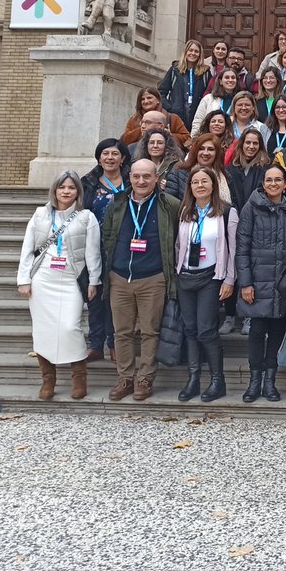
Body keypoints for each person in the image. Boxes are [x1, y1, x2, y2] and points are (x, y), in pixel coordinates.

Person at [17, 171, 103, 401]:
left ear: (78, 192)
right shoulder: (40, 215)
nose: (66, 191)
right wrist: (23, 279)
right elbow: (28, 249)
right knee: (42, 330)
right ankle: (48, 379)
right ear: (54, 190)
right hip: (44, 278)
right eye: (62, 187)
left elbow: (92, 252)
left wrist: (94, 280)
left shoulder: (86, 217)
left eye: (71, 188)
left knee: (70, 327)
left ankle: (79, 375)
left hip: (71, 279)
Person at [100, 158, 182, 402]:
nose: (141, 181)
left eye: (147, 176)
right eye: (136, 176)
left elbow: (177, 238)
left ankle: (145, 378)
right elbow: (107, 236)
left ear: (156, 178)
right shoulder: (117, 204)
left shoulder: (170, 205)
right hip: (120, 276)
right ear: (130, 178)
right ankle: (125, 377)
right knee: (122, 331)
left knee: (149, 331)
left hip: (153, 277)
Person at [237, 163, 286, 402]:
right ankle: (254, 382)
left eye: (278, 180)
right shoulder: (251, 208)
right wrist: (245, 282)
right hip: (257, 281)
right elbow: (242, 247)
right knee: (256, 332)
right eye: (268, 180)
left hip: (283, 283)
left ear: (285, 183)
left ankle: (270, 382)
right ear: (263, 183)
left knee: (276, 332)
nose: (273, 184)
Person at [174, 167, 238, 403]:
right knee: (189, 329)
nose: (200, 185)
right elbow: (179, 245)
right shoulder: (184, 211)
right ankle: (193, 379)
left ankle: (217, 380)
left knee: (206, 330)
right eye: (195, 182)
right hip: (186, 276)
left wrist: (229, 279)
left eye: (204, 181)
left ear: (213, 185)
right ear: (190, 187)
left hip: (211, 277)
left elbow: (233, 250)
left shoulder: (226, 212)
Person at [81, 138, 129, 361]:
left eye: (115, 154)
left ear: (123, 158)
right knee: (95, 296)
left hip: (123, 248)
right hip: (94, 248)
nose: (110, 158)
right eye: (105, 154)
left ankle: (115, 343)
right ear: (99, 158)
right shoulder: (88, 183)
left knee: (116, 299)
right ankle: (96, 343)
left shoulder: (131, 181)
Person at [158, 39, 212, 129]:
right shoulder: (175, 70)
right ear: (185, 52)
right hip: (176, 116)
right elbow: (161, 92)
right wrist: (169, 108)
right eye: (190, 50)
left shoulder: (205, 73)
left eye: (196, 51)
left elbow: (209, 94)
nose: (193, 53)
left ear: (200, 54)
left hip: (197, 116)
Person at [122, 87, 192, 148]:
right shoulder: (134, 120)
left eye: (149, 98)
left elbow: (187, 139)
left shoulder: (173, 118)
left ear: (158, 100)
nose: (146, 101)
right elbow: (124, 140)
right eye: (142, 99)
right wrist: (142, 130)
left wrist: (168, 135)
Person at [226, 130, 269, 211]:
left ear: (260, 146)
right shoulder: (230, 169)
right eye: (248, 142)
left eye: (255, 143)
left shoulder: (265, 170)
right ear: (242, 144)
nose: (251, 146)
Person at [191, 68, 241, 138]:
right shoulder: (208, 99)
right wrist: (194, 139)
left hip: (231, 140)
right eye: (227, 77)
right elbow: (198, 121)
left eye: (233, 78)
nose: (230, 80)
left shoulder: (240, 100)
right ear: (220, 81)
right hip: (209, 140)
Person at [134, 127, 185, 191]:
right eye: (152, 142)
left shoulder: (176, 165)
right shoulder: (139, 165)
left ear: (167, 145)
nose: (155, 146)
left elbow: (182, 191)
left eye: (160, 143)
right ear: (146, 145)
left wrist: (169, 187)